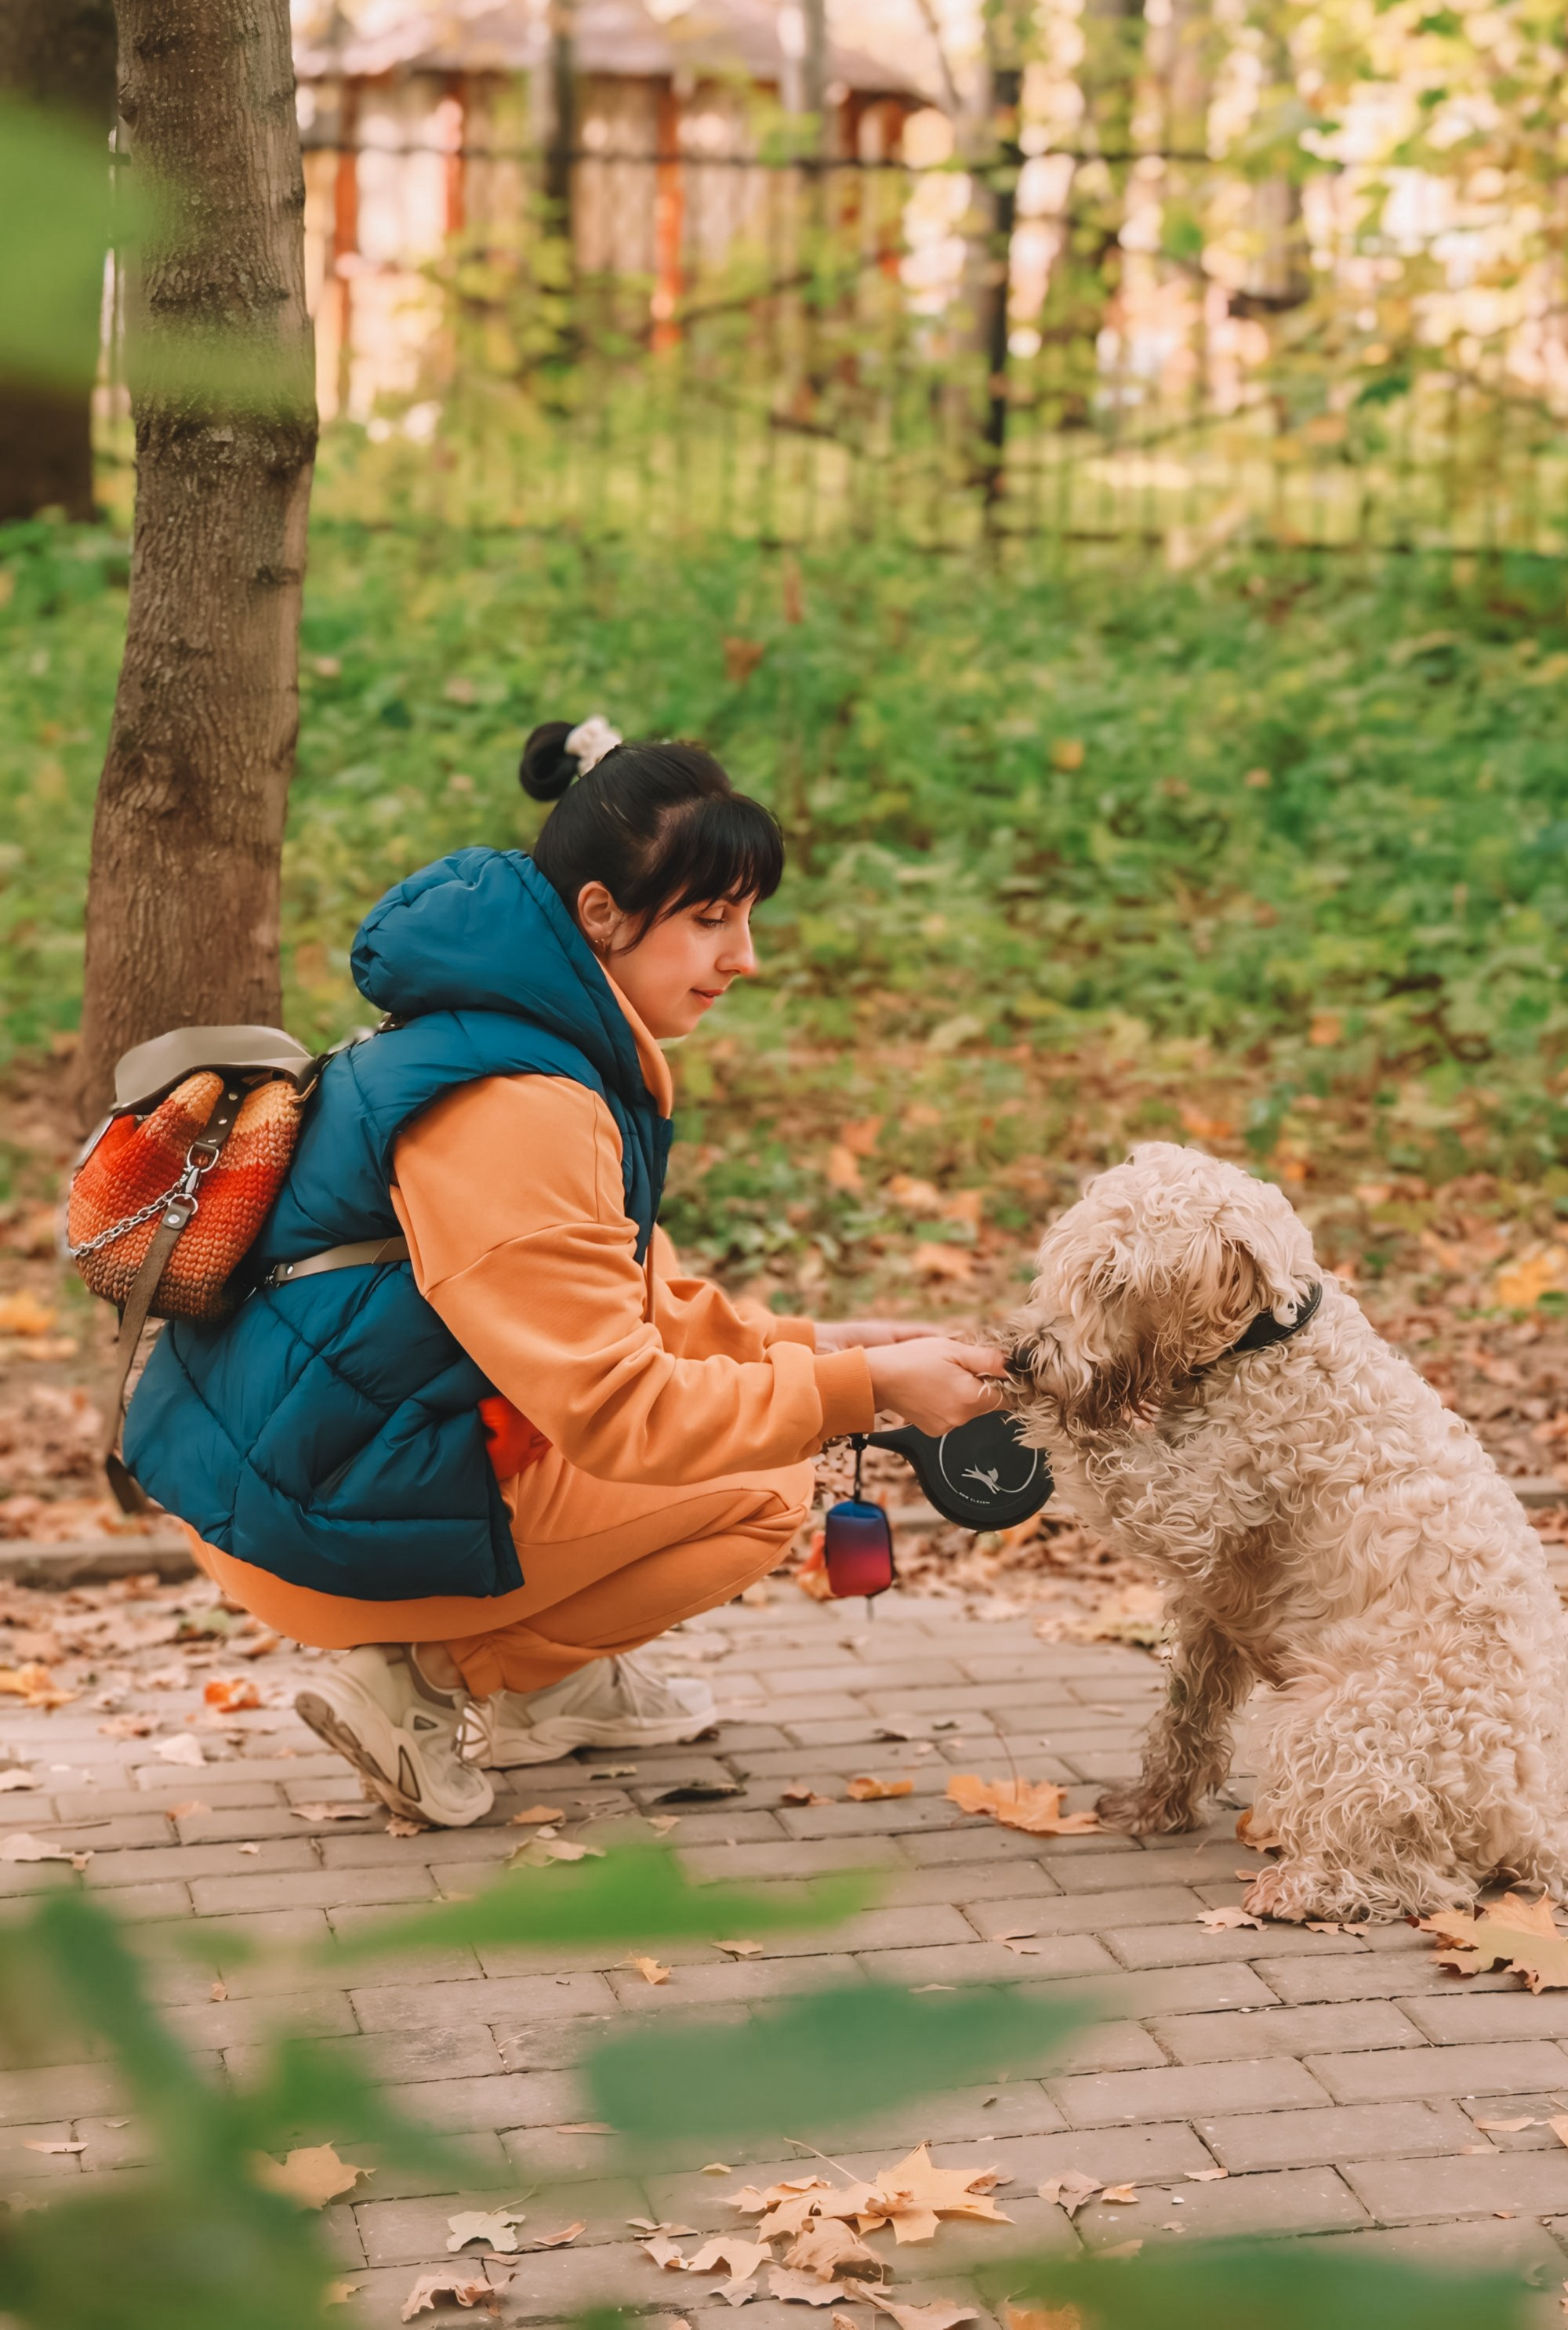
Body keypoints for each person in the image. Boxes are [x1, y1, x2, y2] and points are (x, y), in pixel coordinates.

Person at [122, 715, 1005, 1826]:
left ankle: (553, 1688)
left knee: (757, 1431)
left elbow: (625, 1302)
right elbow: (617, 1407)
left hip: (303, 1460)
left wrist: (821, 1347)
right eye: (709, 920)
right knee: (760, 1487)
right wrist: (860, 1396)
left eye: (746, 918)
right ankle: (419, 1685)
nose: (745, 958)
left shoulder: (522, 1045)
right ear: (601, 915)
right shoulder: (519, 1105)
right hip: (300, 1504)